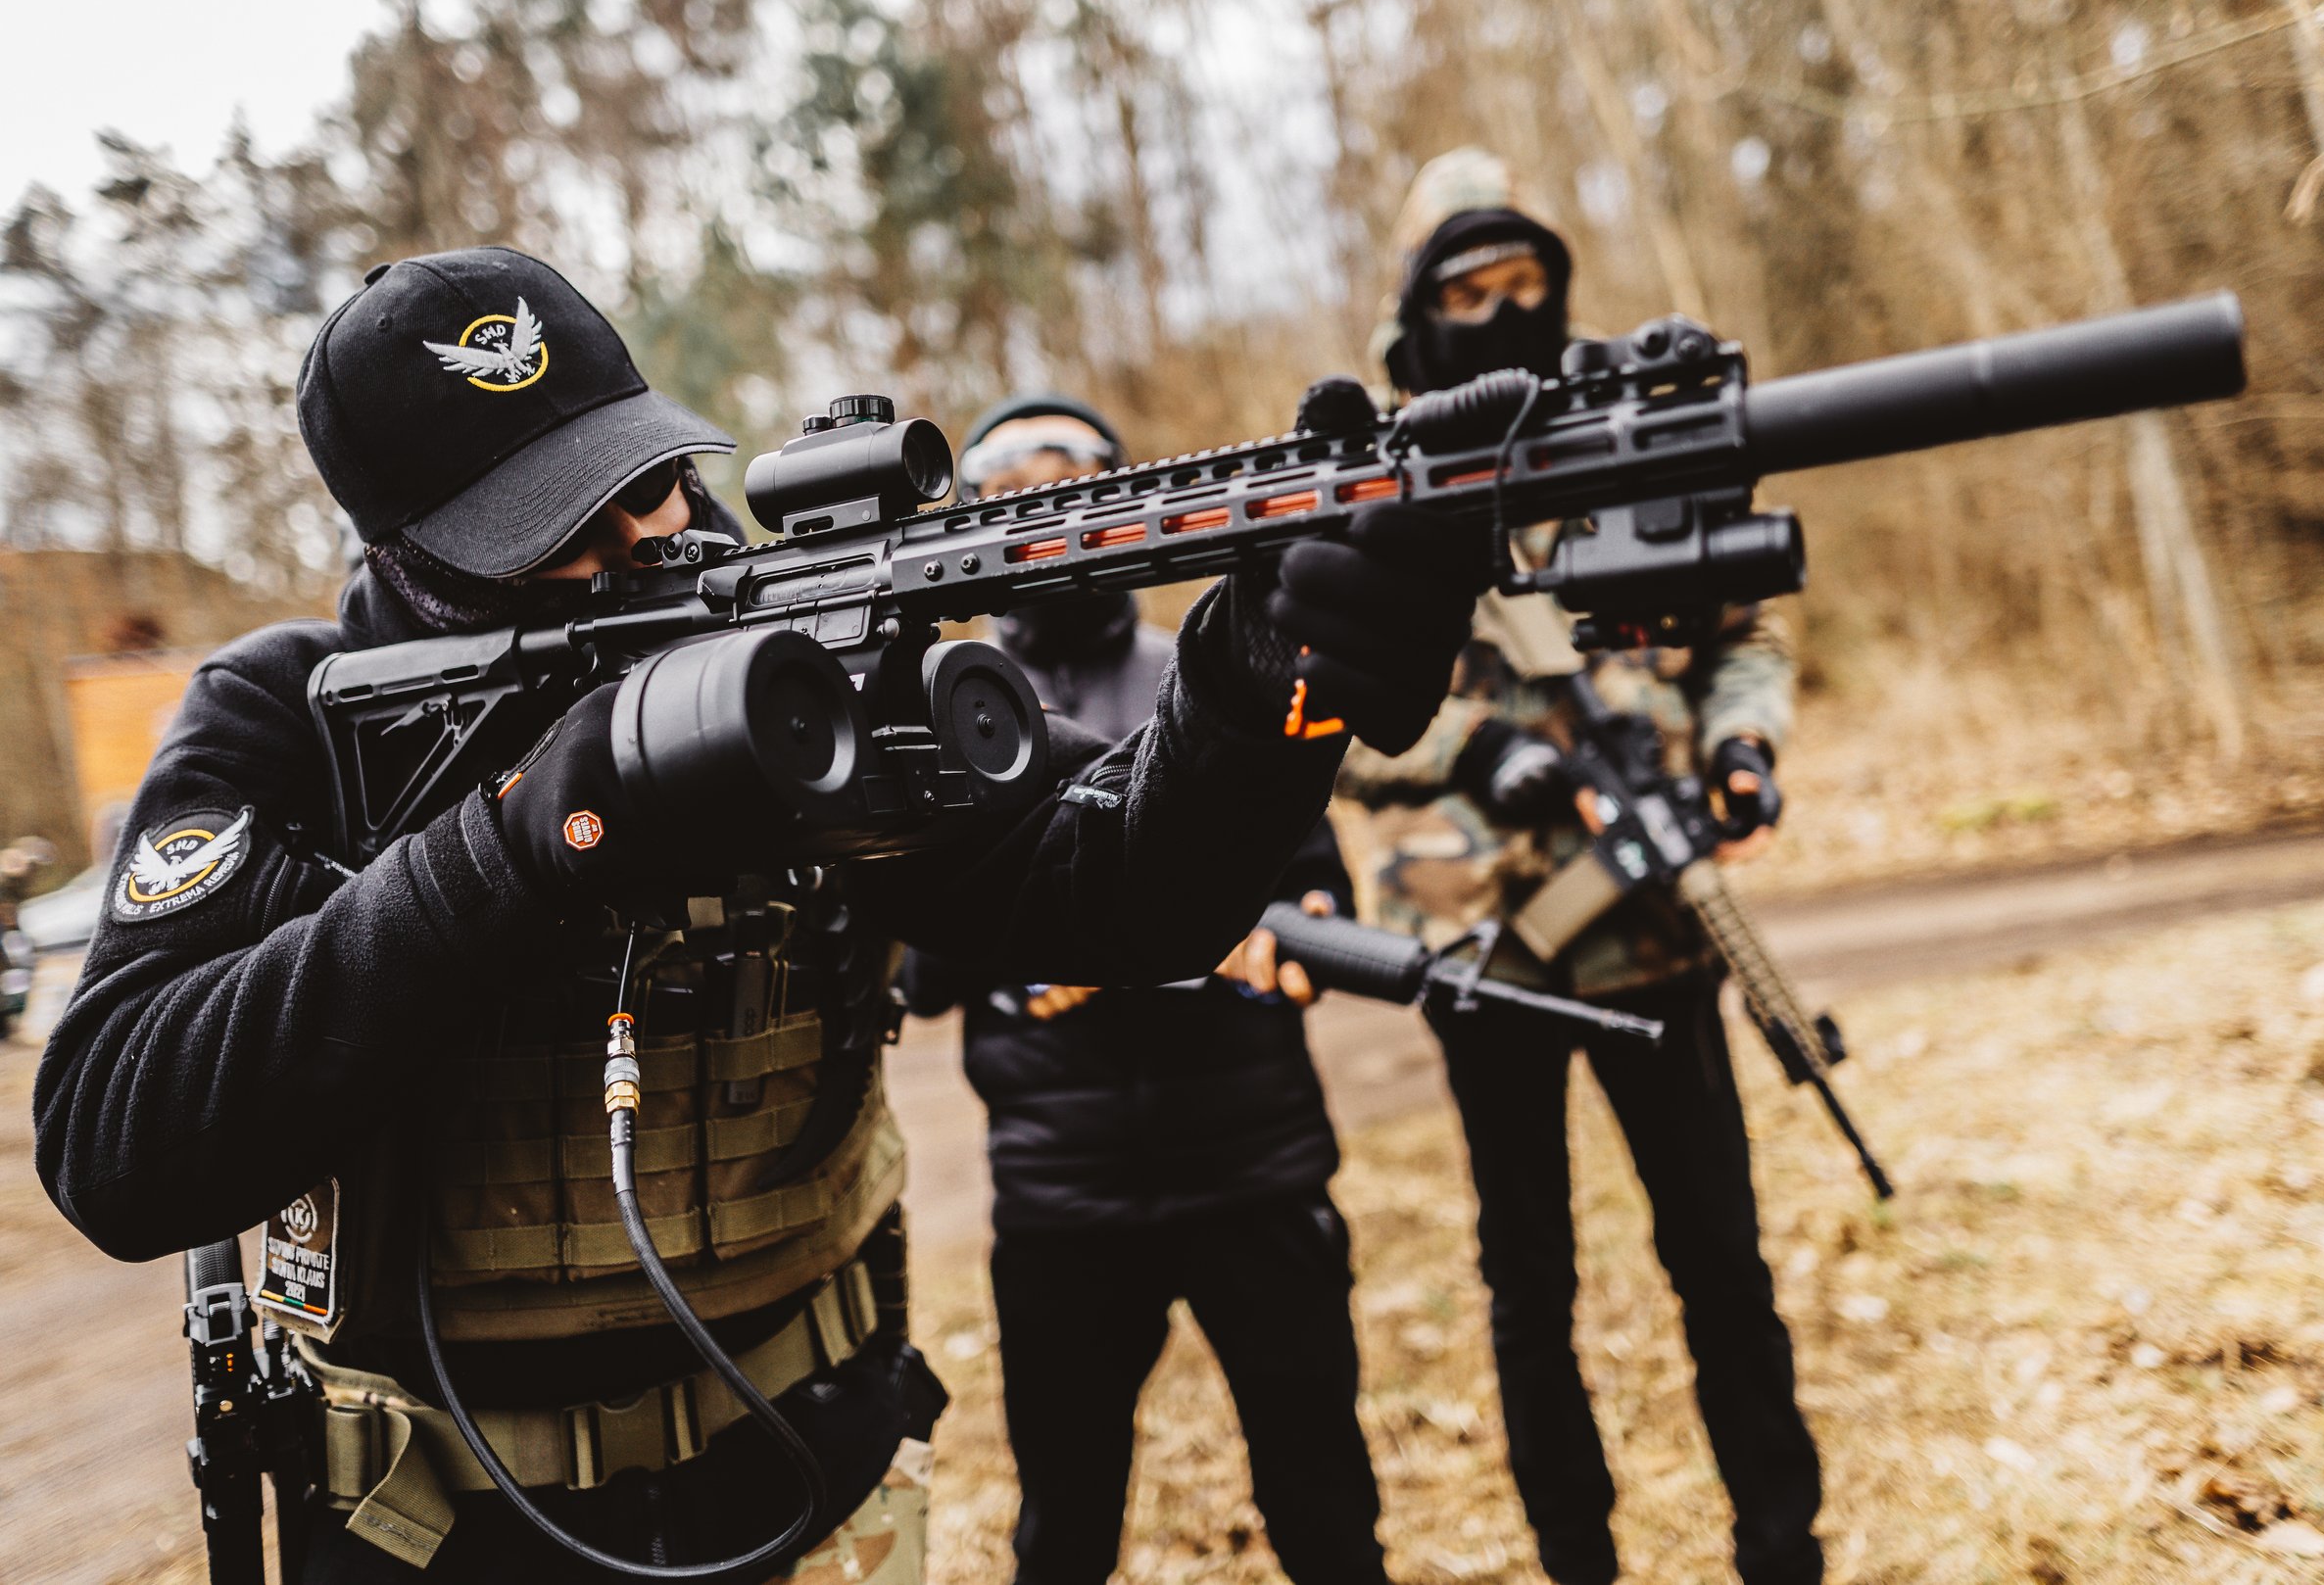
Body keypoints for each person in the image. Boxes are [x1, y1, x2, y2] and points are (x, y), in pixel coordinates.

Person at [31, 247, 1483, 1581]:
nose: (647, 535)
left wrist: (1269, 682)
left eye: (648, 477)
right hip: (444, 1530)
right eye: (560, 526)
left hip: (814, 1480)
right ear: (413, 558)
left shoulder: (775, 649)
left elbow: (1120, 888)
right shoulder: (288, 720)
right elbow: (119, 1136)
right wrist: (521, 840)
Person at [1336, 150, 1823, 1585]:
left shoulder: (1630, 435)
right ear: (1418, 303)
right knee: (1528, 1282)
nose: (1502, 312)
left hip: (1658, 930)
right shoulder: (1376, 462)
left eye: (1527, 285)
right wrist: (1468, 749)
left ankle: (1782, 1538)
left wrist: (1742, 749)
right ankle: (1574, 1554)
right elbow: (1324, 706)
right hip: (1484, 944)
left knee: (1721, 1261)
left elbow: (1744, 629)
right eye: (1467, 291)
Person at [900, 397, 1391, 1585]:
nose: (1043, 485)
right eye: (1010, 472)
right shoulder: (938, 705)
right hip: (1063, 1196)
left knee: (1324, 1501)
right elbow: (919, 966)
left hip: (1257, 1167)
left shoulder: (1217, 672)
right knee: (1063, 1524)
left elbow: (1318, 891)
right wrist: (1055, 956)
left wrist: (1286, 944)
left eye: (1072, 465)